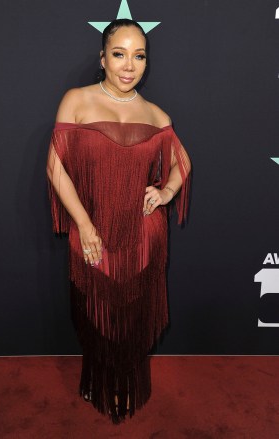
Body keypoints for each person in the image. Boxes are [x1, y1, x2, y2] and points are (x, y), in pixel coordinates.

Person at [46, 18, 191, 424]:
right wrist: (85, 225)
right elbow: (56, 168)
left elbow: (183, 164)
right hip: (93, 233)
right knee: (96, 314)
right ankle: (99, 379)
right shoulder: (77, 99)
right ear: (103, 58)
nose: (129, 65)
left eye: (139, 55)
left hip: (143, 236)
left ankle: (125, 384)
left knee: (130, 320)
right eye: (119, 53)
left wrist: (164, 193)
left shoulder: (156, 115)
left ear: (146, 62)